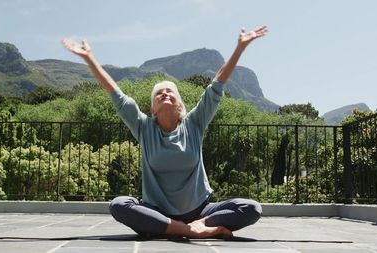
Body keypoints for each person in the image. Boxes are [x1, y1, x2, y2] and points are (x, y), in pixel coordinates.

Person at [62, 25, 268, 239]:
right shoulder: (144, 127)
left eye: (170, 91)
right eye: (159, 93)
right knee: (119, 205)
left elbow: (216, 86)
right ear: (152, 109)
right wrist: (89, 58)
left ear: (180, 104)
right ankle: (188, 231)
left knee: (251, 207)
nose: (165, 93)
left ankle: (199, 225)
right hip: (158, 213)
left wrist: (240, 47)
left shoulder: (194, 123)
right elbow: (116, 94)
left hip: (200, 211)